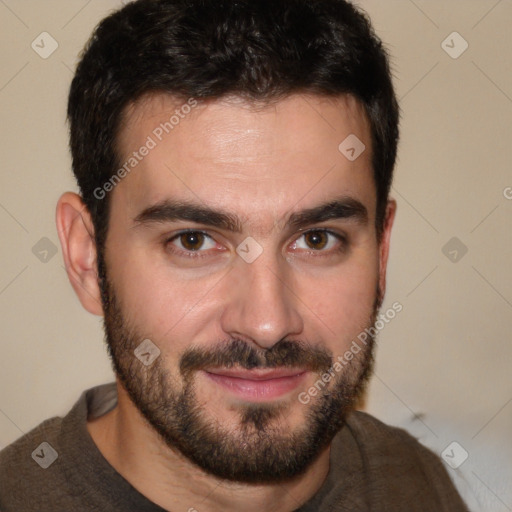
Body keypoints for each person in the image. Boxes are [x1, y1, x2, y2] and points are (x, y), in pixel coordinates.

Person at [0, 0, 469, 510]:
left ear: (380, 253)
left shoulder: (414, 480)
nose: (267, 324)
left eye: (317, 239)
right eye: (194, 241)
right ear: (88, 258)